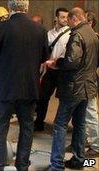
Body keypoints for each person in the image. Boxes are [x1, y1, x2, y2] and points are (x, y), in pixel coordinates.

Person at [0, 0, 49, 170]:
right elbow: (44, 57)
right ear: (27, 8)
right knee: (27, 128)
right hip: (29, 86)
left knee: (0, 129)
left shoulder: (0, 28)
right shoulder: (40, 29)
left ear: (9, 8)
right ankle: (22, 165)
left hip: (4, 87)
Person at [46, 7, 99, 170]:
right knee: (80, 124)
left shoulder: (76, 34)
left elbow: (71, 61)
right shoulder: (92, 33)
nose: (67, 23)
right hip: (87, 86)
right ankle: (79, 160)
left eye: (68, 20)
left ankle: (56, 164)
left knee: (60, 124)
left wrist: (56, 63)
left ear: (74, 18)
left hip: (73, 87)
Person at [34, 7, 69, 131]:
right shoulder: (49, 33)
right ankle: (39, 122)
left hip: (62, 71)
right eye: (62, 17)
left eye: (67, 17)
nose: (65, 19)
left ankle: (59, 126)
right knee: (42, 96)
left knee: (63, 100)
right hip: (49, 71)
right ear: (56, 18)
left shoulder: (70, 34)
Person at [84, 11, 99, 158]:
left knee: (90, 113)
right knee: (83, 113)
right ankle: (86, 141)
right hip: (87, 80)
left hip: (90, 81)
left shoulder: (94, 39)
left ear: (90, 23)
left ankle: (96, 145)